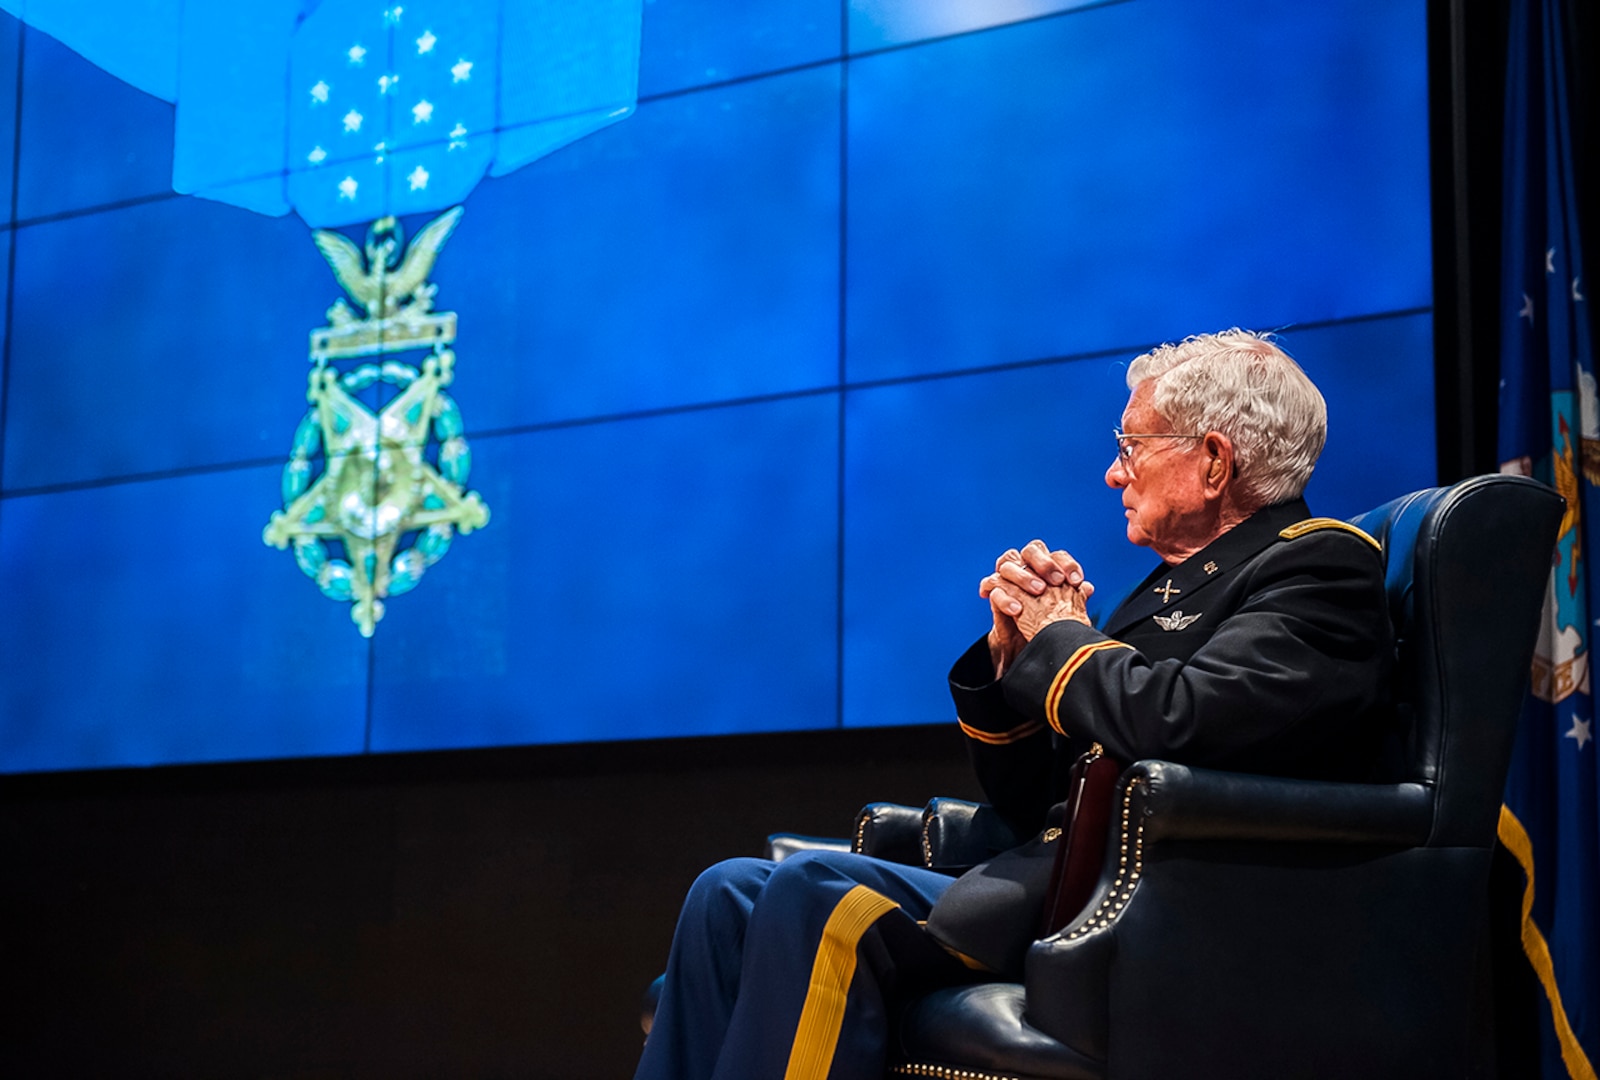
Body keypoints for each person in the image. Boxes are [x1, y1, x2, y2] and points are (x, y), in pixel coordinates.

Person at [634, 329, 1396, 1080]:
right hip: (1052, 875)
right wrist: (1014, 664)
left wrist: (1060, 638)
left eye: (1132, 446)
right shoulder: (1165, 591)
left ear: (1213, 460)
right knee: (726, 891)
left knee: (814, 893)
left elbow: (1179, 721)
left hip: (1152, 904)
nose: (1111, 473)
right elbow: (1040, 794)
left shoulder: (1315, 565)